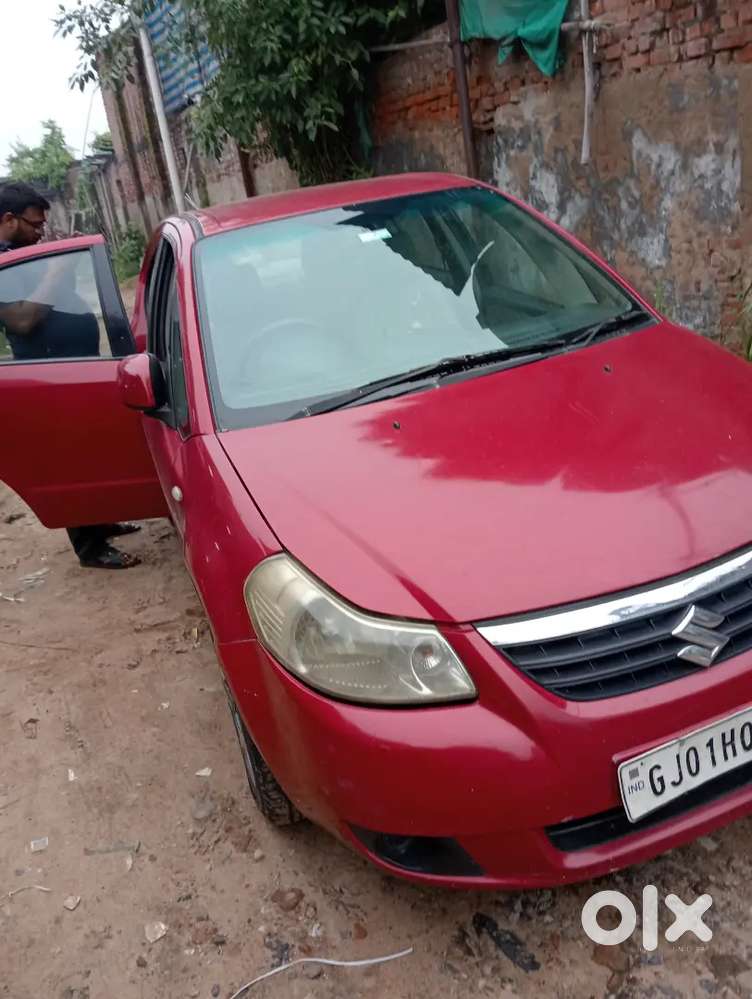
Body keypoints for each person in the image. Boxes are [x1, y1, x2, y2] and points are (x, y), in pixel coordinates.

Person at [0, 181, 141, 569]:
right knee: (70, 455)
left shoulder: (20, 255)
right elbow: (23, 319)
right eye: (34, 225)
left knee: (92, 451)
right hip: (48, 375)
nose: (40, 232)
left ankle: (102, 522)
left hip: (72, 364)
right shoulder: (4, 264)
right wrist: (57, 267)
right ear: (9, 220)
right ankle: (90, 547)